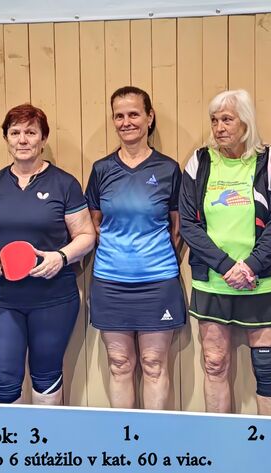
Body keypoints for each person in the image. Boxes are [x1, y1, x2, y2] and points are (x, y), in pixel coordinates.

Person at [0, 103, 95, 405]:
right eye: (15, 133)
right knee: (2, 380)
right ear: (6, 139)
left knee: (46, 375)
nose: (22, 140)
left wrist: (60, 257)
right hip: (2, 298)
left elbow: (86, 235)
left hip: (53, 298)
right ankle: (10, 436)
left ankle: (44, 436)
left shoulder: (64, 183)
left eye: (30, 132)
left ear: (43, 138)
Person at [179, 89, 271, 415]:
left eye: (227, 119)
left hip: (260, 281)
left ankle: (268, 439)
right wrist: (227, 266)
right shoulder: (199, 161)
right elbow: (188, 224)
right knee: (214, 362)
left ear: (246, 122)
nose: (219, 127)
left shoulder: (269, 161)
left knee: (267, 367)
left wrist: (251, 266)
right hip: (213, 281)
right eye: (214, 120)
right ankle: (220, 439)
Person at [85, 86, 185, 409]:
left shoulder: (168, 169)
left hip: (158, 282)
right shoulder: (102, 170)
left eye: (133, 114)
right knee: (119, 364)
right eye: (119, 116)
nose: (126, 122)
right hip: (110, 282)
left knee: (154, 364)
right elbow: (93, 223)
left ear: (149, 117)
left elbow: (177, 227)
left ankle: (153, 434)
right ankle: (125, 435)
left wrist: (150, 257)